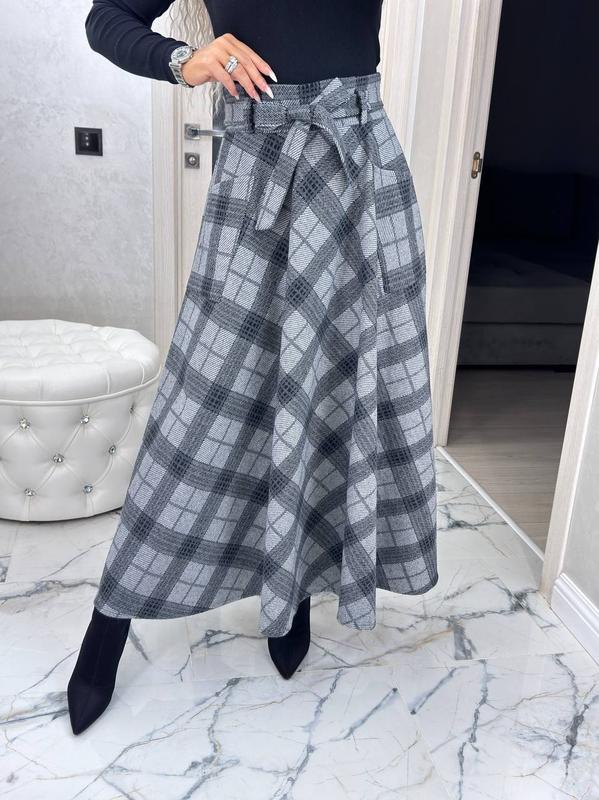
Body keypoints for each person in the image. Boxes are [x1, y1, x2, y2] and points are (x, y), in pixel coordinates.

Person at [68, 0, 438, 736]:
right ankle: (109, 624)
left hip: (361, 168)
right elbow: (106, 19)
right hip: (257, 170)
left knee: (329, 388)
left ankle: (291, 596)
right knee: (199, 404)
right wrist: (185, 60)